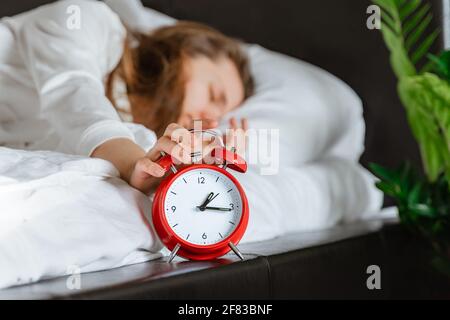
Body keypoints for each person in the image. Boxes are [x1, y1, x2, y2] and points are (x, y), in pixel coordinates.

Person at [0, 0, 254, 194]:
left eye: (218, 117)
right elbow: (73, 91)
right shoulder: (88, 19)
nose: (209, 117)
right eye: (213, 94)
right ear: (185, 48)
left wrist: (196, 166)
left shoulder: (134, 134)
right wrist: (133, 163)